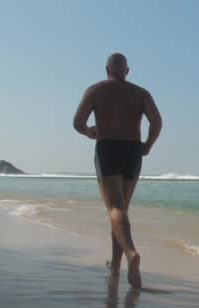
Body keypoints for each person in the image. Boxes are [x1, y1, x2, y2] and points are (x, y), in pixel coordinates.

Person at [73, 53, 163, 289]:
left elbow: (77, 122)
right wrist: (147, 146)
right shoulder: (141, 93)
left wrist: (88, 132)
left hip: (108, 147)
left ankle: (131, 253)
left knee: (115, 208)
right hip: (132, 150)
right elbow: (157, 122)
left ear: (107, 70)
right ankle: (115, 266)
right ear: (127, 71)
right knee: (121, 209)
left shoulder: (95, 90)